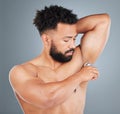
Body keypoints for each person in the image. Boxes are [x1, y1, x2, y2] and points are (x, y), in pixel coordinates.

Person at [9, 5, 111, 114]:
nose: (72, 45)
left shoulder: (79, 59)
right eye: (66, 40)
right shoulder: (22, 72)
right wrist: (80, 76)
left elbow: (103, 21)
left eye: (74, 38)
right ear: (47, 39)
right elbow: (48, 98)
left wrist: (69, 29)